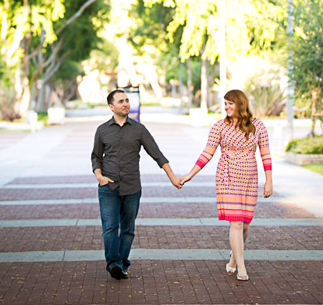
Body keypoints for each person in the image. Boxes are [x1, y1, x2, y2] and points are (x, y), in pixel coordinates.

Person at [179, 89, 273, 281]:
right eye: (225, 103)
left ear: (240, 104)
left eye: (230, 103)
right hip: (227, 178)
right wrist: (190, 175)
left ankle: (232, 259)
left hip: (250, 179)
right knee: (236, 223)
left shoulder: (258, 126)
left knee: (245, 225)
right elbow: (207, 153)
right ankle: (241, 268)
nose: (227, 107)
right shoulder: (219, 126)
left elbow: (265, 154)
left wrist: (269, 181)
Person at [91, 88, 182, 280]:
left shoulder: (139, 129)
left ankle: (122, 264)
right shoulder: (102, 130)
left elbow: (157, 154)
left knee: (128, 229)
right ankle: (113, 263)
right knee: (109, 227)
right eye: (121, 101)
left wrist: (172, 177)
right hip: (108, 186)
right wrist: (99, 176)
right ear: (111, 107)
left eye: (127, 100)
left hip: (132, 187)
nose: (126, 104)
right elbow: (96, 157)